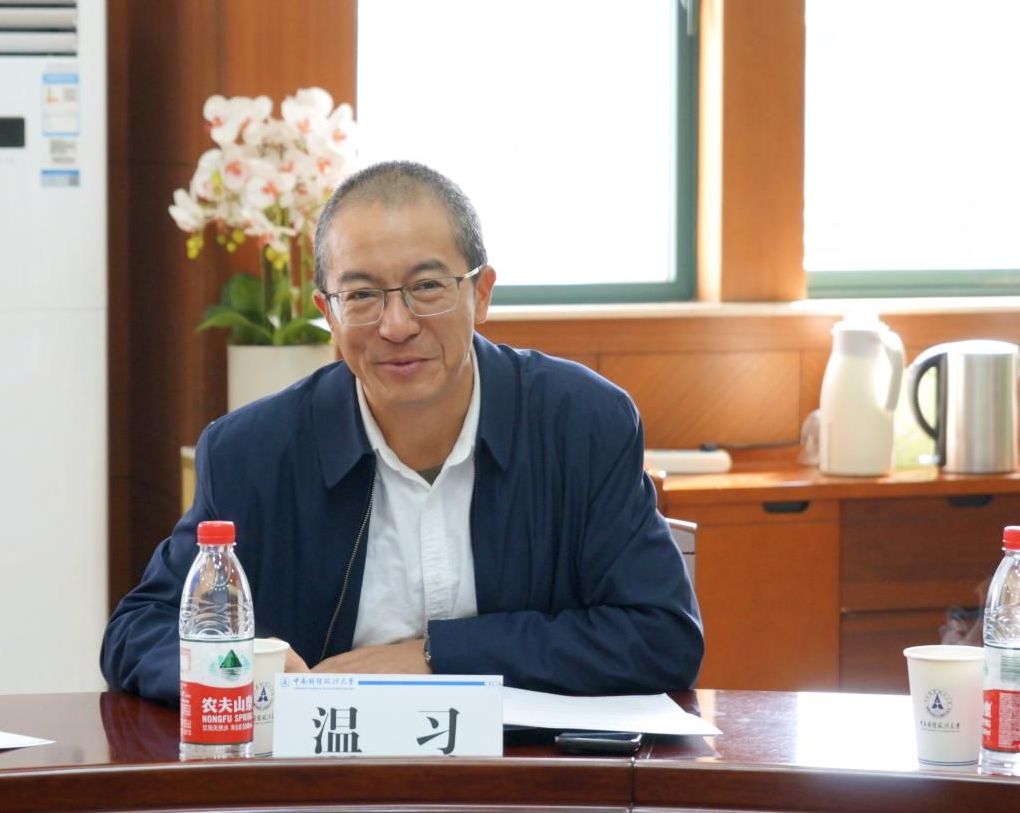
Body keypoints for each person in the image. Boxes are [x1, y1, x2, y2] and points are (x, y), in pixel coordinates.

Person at [101, 161, 703, 703]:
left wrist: (438, 656)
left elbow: (660, 634)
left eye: (426, 287)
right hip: (326, 775)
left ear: (481, 294)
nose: (396, 325)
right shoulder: (252, 453)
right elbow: (138, 631)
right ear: (328, 312)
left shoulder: (581, 424)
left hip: (527, 772)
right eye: (361, 295)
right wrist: (245, 668)